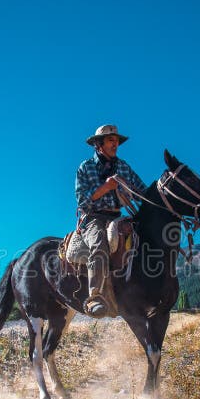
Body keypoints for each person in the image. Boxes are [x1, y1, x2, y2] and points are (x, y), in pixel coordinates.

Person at [75, 124, 147, 317]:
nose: (115, 144)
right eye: (111, 141)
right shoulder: (86, 167)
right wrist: (106, 187)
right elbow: (82, 200)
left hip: (117, 215)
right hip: (93, 217)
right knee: (99, 245)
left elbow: (142, 192)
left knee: (145, 238)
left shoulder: (123, 166)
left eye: (116, 141)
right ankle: (95, 297)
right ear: (99, 144)